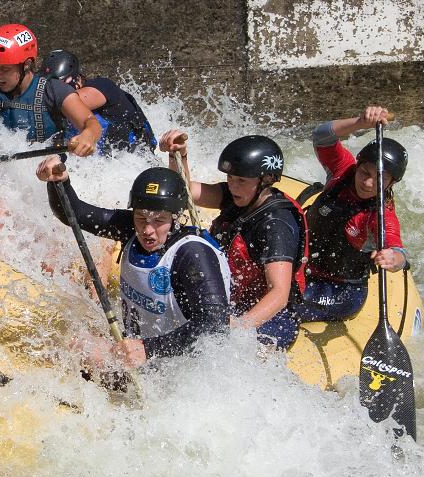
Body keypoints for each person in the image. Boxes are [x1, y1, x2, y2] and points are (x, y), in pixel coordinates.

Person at [35, 156, 231, 368]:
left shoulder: (192, 253)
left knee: (81, 348)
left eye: (159, 221)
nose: (147, 230)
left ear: (175, 218)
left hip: (180, 362)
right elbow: (73, 213)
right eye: (141, 218)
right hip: (141, 352)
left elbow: (215, 325)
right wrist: (58, 181)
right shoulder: (130, 228)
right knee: (70, 340)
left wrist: (149, 349)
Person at [160, 131, 308, 350]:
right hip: (231, 298)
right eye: (230, 178)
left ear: (265, 181)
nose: (232, 186)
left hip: (273, 316)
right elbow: (185, 193)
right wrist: (178, 157)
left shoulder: (277, 225)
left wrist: (239, 326)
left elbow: (279, 294)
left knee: (233, 351)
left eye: (241, 180)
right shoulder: (238, 195)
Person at [296, 105, 409, 321]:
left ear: (392, 182)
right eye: (365, 172)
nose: (368, 183)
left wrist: (393, 258)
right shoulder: (342, 171)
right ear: (357, 165)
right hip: (303, 269)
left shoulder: (381, 215)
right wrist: (359, 123)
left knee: (288, 302)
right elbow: (321, 136)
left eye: (379, 179)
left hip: (342, 291)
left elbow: (399, 253)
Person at [0, 24, 101, 156]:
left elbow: (90, 122)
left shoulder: (53, 90)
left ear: (26, 64)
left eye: (5, 69)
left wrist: (88, 135)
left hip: (48, 165)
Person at [40, 49, 157, 154]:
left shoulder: (102, 86)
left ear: (78, 80)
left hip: (139, 161)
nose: (55, 92)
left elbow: (67, 101)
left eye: (59, 88)